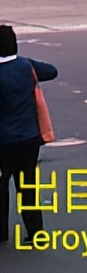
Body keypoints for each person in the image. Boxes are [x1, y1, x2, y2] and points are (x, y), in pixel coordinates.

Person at [0, 24, 59, 246]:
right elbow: (52, 71)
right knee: (28, 187)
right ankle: (35, 233)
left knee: (1, 186)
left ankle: (1, 232)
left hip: (2, 141)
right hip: (29, 139)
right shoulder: (27, 66)